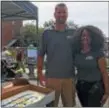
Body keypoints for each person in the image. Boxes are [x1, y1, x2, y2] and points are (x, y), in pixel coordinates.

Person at [37, 3, 76, 107]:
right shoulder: (47, 33)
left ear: (67, 14)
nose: (61, 15)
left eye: (64, 12)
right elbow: (41, 54)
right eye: (59, 12)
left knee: (70, 105)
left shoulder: (73, 32)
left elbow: (78, 53)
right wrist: (40, 74)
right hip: (51, 79)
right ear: (54, 14)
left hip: (69, 78)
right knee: (51, 106)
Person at [72, 25, 109, 107]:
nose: (85, 37)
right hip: (81, 87)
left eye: (89, 35)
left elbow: (104, 73)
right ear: (80, 37)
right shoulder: (77, 53)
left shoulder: (98, 53)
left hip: (95, 88)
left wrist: (107, 92)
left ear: (93, 38)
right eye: (83, 35)